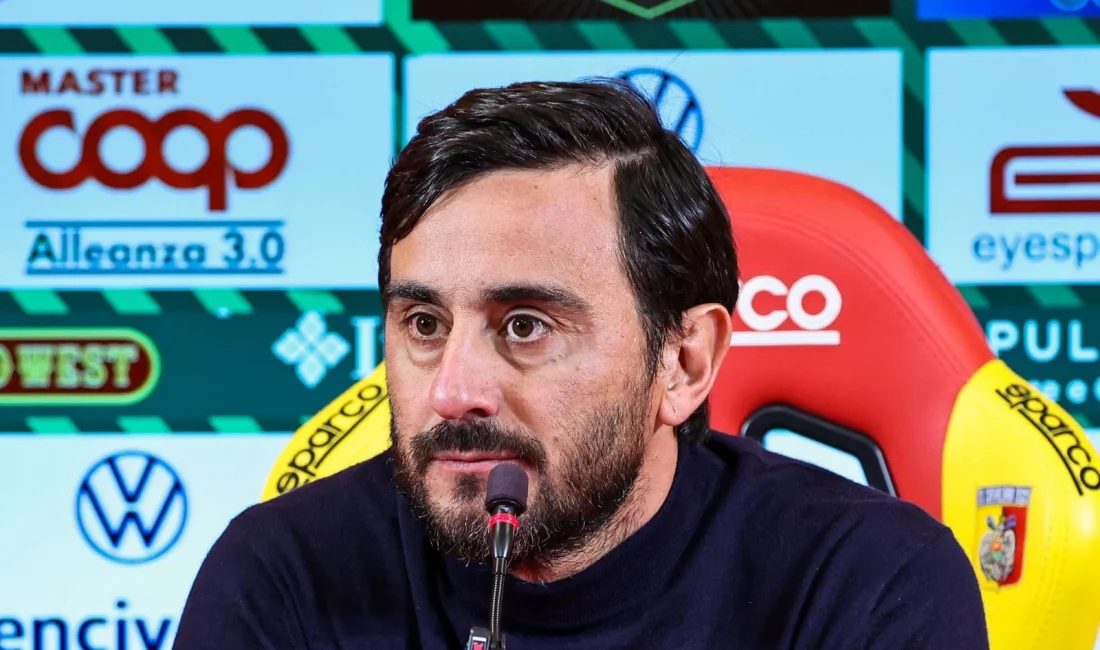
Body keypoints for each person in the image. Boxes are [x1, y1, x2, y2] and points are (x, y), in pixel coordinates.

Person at [172, 78, 989, 649]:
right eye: (424, 323)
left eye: (526, 326)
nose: (454, 391)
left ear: (683, 361)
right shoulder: (281, 574)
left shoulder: (871, 578)